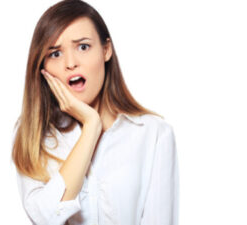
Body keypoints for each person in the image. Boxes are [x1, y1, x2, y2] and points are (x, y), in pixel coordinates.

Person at [12, 0, 179, 224]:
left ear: (106, 50)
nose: (71, 63)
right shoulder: (35, 134)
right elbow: (45, 218)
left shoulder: (153, 134)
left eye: (83, 47)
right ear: (43, 68)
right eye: (55, 53)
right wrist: (91, 125)